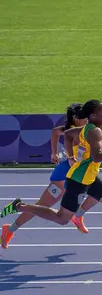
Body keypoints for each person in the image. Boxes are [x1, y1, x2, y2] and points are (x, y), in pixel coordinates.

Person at [0, 100, 102, 258]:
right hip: (76, 179)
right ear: (91, 115)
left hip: (88, 177)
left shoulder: (87, 128)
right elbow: (95, 156)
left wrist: (71, 155)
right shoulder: (90, 131)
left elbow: (70, 136)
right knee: (59, 217)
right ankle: (19, 207)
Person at [1, 103, 97, 248]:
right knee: (43, 206)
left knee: (99, 193)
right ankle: (10, 228)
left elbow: (54, 131)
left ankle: (78, 215)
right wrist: (54, 152)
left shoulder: (85, 130)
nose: (87, 120)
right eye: (84, 117)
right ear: (76, 119)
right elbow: (55, 132)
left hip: (78, 173)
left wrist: (54, 152)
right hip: (63, 174)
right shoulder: (71, 131)